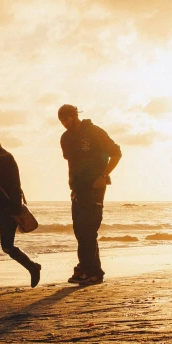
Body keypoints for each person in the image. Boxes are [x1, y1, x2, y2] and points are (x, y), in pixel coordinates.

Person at [58, 104, 122, 285]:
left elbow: (116, 153)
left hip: (95, 187)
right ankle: (84, 267)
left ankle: (94, 272)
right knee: (79, 229)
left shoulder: (94, 132)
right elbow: (72, 162)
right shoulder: (65, 138)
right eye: (62, 120)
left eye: (67, 118)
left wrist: (104, 175)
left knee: (88, 228)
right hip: (77, 189)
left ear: (75, 115)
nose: (65, 123)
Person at [0, 129, 41, 294]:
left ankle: (33, 267)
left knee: (7, 246)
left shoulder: (6, 158)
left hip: (6, 209)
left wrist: (16, 210)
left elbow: (15, 186)